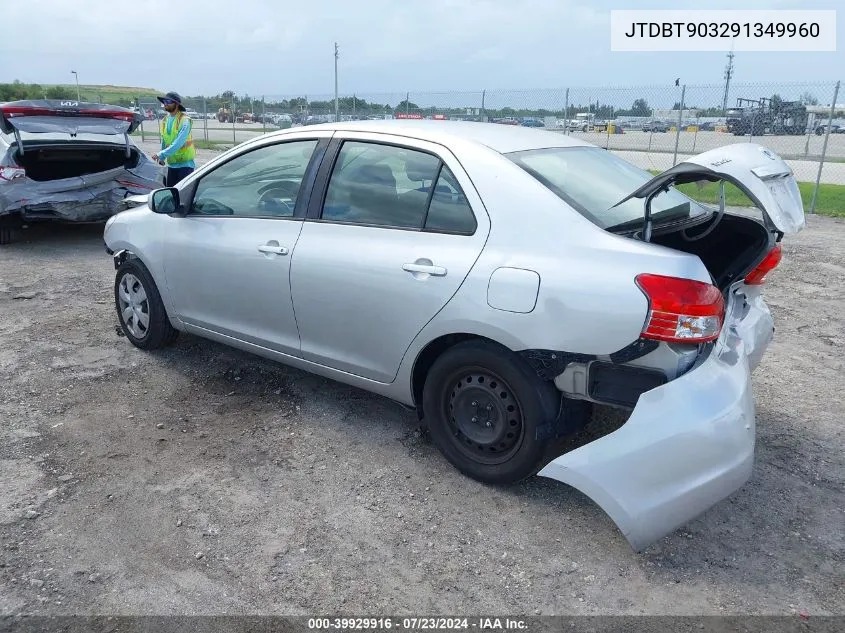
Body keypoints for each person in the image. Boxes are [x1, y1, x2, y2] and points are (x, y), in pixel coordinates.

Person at [151, 91, 196, 187]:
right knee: (171, 194)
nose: (165, 104)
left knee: (184, 196)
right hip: (172, 165)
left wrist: (160, 154)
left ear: (176, 104)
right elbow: (165, 140)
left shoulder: (184, 120)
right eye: (164, 102)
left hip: (185, 165)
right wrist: (162, 158)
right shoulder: (164, 121)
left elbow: (178, 143)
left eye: (168, 101)